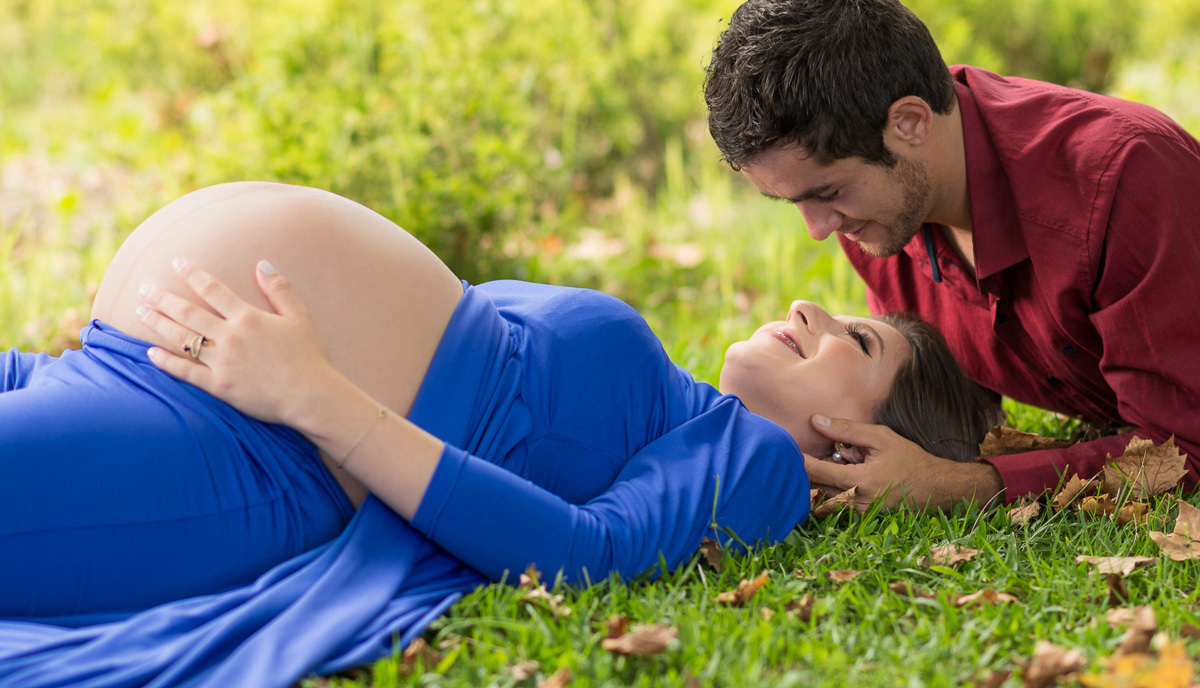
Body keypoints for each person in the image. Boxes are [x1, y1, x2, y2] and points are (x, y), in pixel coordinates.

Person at [0, 182, 994, 687]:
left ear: (856, 443)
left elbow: (579, 550)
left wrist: (311, 394)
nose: (808, 310)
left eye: (855, 340)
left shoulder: (759, 465)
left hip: (244, 449)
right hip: (144, 379)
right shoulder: (678, 399)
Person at [703, 0, 1200, 510]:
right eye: (794, 202)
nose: (819, 230)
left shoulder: (1122, 179)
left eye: (828, 192)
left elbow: (1187, 448)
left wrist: (959, 485)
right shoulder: (878, 223)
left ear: (910, 123)